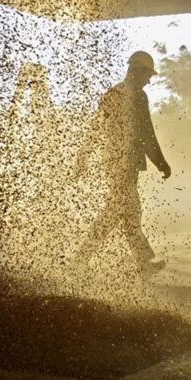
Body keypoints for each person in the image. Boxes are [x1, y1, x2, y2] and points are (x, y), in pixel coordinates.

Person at [75, 50, 172, 274]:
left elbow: (95, 129)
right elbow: (147, 134)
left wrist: (83, 156)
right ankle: (81, 261)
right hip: (125, 166)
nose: (148, 81)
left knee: (126, 214)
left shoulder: (113, 94)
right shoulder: (137, 96)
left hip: (114, 164)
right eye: (147, 75)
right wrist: (161, 163)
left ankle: (141, 263)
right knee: (120, 213)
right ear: (136, 71)